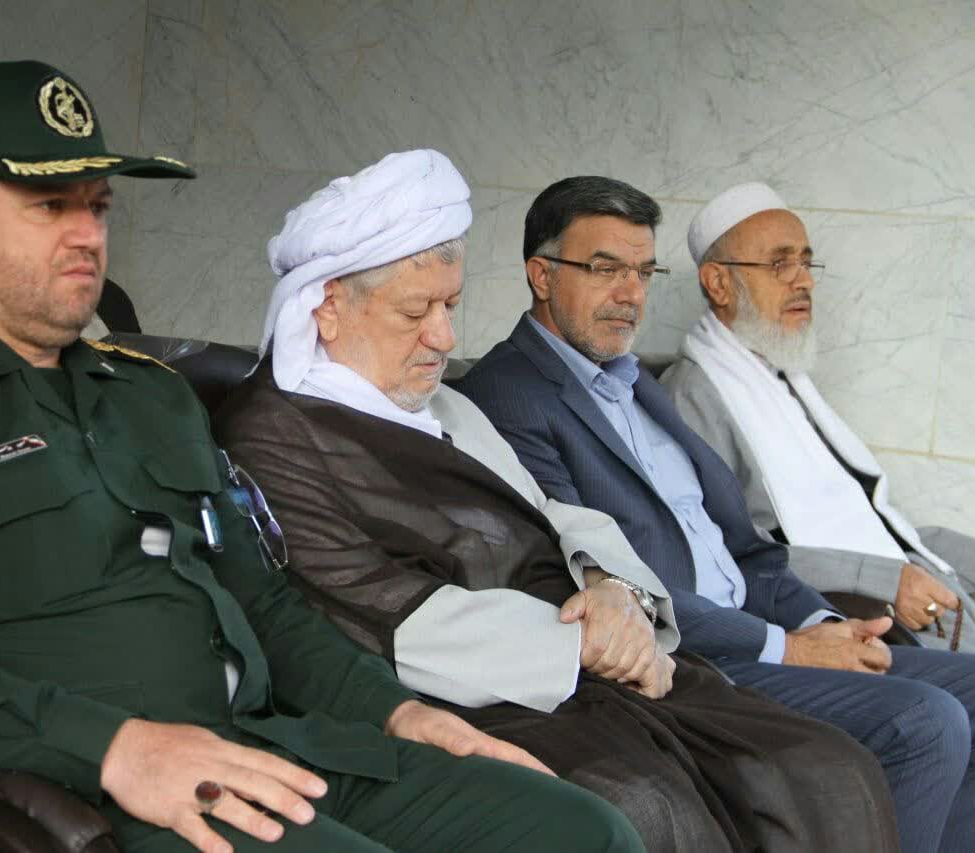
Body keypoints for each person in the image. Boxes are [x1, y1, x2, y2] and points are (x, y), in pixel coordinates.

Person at [0, 62, 643, 853]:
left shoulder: (148, 395)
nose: (86, 235)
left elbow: (263, 602)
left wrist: (398, 712)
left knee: (583, 829)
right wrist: (112, 747)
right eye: (48, 206)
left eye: (97, 205)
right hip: (76, 795)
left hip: (262, 747)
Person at [213, 150, 899, 853]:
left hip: (593, 663)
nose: (444, 338)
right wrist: (583, 643)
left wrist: (615, 592)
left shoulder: (439, 401)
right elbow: (372, 609)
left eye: (450, 306)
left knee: (827, 768)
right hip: (478, 692)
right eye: (416, 311)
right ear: (327, 308)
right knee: (650, 809)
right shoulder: (273, 433)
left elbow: (554, 512)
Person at [458, 175, 975, 853]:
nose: (631, 293)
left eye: (643, 271)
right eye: (605, 269)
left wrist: (824, 626)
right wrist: (788, 647)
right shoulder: (510, 394)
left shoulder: (637, 384)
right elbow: (595, 579)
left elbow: (748, 551)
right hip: (690, 659)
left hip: (763, 628)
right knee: (925, 721)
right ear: (541, 274)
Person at [660, 181, 975, 658]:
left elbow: (871, 525)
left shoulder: (783, 378)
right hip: (852, 619)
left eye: (806, 262)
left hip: (923, 597)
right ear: (718, 283)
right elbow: (733, 555)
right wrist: (883, 580)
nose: (803, 281)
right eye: (780, 263)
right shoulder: (693, 396)